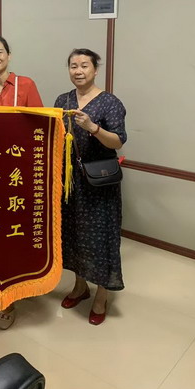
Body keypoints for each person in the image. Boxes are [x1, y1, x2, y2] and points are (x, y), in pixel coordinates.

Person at [0, 35, 43, 329]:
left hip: (18, 173)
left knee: (18, 232)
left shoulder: (25, 85)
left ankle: (18, 287)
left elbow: (40, 126)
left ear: (9, 55)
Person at [54, 49, 126, 326]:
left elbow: (118, 141)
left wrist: (93, 127)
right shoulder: (63, 100)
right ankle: (80, 286)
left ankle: (101, 295)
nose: (78, 70)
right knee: (74, 234)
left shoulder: (110, 102)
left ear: (96, 70)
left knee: (102, 238)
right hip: (70, 182)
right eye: (73, 66)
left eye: (84, 65)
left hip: (99, 182)